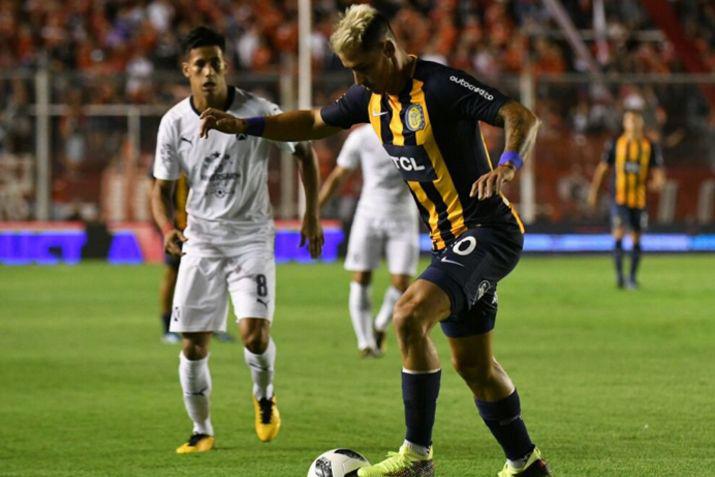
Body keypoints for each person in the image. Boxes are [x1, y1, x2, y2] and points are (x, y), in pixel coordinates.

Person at [198, 5, 549, 476]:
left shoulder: (440, 86)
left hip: (487, 232)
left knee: (407, 314)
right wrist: (246, 125)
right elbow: (312, 122)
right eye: (351, 71)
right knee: (475, 368)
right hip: (449, 242)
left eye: (362, 67)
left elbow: (518, 114)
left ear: (387, 49)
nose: (358, 79)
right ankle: (525, 464)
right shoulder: (370, 99)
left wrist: (508, 163)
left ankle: (416, 458)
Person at [151, 26, 324, 454]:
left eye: (215, 62)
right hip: (202, 241)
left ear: (225, 65)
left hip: (251, 239)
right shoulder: (174, 123)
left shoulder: (259, 110)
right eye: (199, 65)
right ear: (186, 70)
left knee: (254, 336)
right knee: (192, 345)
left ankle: (264, 397)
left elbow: (304, 152)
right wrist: (166, 228)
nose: (208, 72)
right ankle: (201, 429)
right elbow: (160, 188)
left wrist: (312, 214)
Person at [319, 124, 420, 358]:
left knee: (402, 282)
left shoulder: (414, 133)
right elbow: (339, 175)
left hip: (404, 216)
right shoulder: (362, 137)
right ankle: (365, 341)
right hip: (369, 215)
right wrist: (315, 211)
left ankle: (380, 325)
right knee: (361, 275)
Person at [588, 109, 666, 289]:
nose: (632, 123)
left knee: (637, 238)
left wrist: (658, 182)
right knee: (619, 233)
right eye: (628, 120)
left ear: (641, 123)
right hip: (619, 198)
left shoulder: (650, 146)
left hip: (639, 200)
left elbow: (658, 172)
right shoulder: (616, 143)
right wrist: (594, 192)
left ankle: (632, 278)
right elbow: (603, 169)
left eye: (635, 120)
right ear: (624, 124)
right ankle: (619, 277)